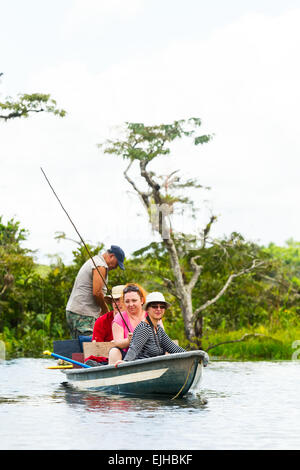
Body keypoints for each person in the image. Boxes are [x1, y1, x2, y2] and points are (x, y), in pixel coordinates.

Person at [66, 245, 125, 339]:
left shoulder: (96, 261)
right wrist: (105, 309)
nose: (115, 267)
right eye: (117, 264)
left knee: (82, 348)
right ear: (111, 256)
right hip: (83, 314)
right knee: (90, 347)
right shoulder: (100, 265)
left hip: (79, 312)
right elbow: (97, 292)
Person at [114, 292, 185, 366]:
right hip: (141, 369)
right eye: (154, 306)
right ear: (147, 309)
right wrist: (126, 362)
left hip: (156, 368)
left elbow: (173, 348)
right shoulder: (144, 328)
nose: (158, 309)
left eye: (162, 307)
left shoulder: (158, 329)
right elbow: (134, 349)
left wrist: (192, 355)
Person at [84, 285, 125, 366]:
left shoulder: (136, 319)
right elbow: (95, 351)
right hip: (106, 361)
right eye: (115, 300)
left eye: (121, 300)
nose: (117, 304)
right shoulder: (102, 321)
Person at [108, 283, 148, 365]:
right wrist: (128, 341)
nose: (131, 305)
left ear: (142, 300)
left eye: (134, 300)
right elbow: (117, 342)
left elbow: (161, 337)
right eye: (127, 301)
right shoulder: (119, 317)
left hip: (148, 354)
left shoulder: (150, 315)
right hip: (126, 356)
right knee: (114, 351)